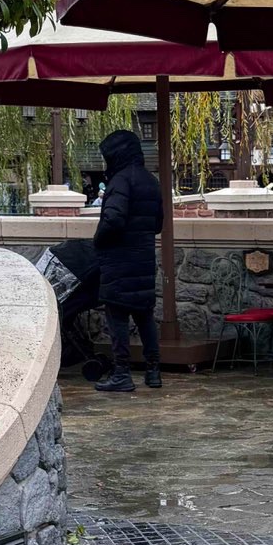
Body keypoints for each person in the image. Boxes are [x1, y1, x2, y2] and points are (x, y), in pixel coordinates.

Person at [91, 129, 164, 394]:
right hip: (143, 260)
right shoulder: (150, 181)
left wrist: (98, 240)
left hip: (119, 262)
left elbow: (113, 219)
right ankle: (153, 372)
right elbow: (158, 224)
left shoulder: (120, 181)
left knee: (117, 318)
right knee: (145, 316)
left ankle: (121, 373)